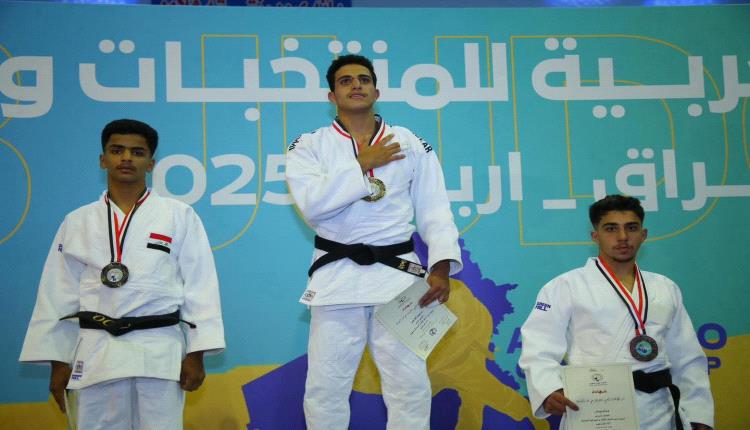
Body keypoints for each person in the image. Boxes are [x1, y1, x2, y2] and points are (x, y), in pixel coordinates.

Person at [285, 54, 463, 429]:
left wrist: (441, 266)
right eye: (346, 80)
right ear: (331, 96)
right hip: (336, 277)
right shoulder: (309, 145)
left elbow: (435, 208)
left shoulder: (409, 142)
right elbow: (312, 205)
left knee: (409, 385)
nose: (356, 85)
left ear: (376, 92)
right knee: (325, 386)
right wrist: (362, 163)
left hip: (398, 277)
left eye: (364, 79)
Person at [19, 119, 225, 430]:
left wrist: (197, 353)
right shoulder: (77, 221)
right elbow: (57, 292)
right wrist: (58, 359)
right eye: (117, 150)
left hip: (158, 347)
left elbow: (201, 285)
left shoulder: (179, 215)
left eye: (137, 152)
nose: (126, 158)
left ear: (151, 163)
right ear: (103, 159)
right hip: (96, 348)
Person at [519, 195, 714, 430]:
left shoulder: (665, 287)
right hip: (594, 409)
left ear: (643, 234)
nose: (623, 237)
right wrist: (549, 389)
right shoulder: (565, 286)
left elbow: (687, 358)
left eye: (631, 228)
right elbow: (538, 346)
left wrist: (699, 415)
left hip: (661, 413)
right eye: (611, 228)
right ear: (595, 236)